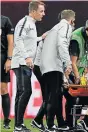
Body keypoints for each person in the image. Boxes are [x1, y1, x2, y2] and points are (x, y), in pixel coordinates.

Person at [11, 1, 46, 131]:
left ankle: (18, 126)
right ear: (33, 11)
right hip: (21, 62)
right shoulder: (25, 22)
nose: (43, 14)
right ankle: (19, 125)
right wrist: (26, 57)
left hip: (23, 62)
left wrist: (39, 38)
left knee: (22, 92)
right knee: (26, 91)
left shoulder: (31, 23)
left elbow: (27, 40)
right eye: (41, 11)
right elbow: (18, 39)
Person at [40, 9, 75, 131]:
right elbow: (62, 44)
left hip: (45, 65)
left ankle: (54, 123)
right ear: (72, 20)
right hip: (54, 65)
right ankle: (48, 124)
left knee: (53, 96)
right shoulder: (66, 26)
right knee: (54, 96)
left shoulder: (55, 28)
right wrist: (68, 63)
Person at [66, 18, 88, 129]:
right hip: (70, 71)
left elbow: (85, 54)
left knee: (80, 98)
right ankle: (70, 125)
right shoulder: (76, 38)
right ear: (86, 29)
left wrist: (85, 70)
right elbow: (73, 62)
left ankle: (74, 124)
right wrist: (77, 77)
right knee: (71, 98)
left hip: (80, 72)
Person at [1, 15, 14, 129]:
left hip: (1, 57)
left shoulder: (5, 20)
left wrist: (9, 59)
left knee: (3, 89)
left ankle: (6, 121)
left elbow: (11, 41)